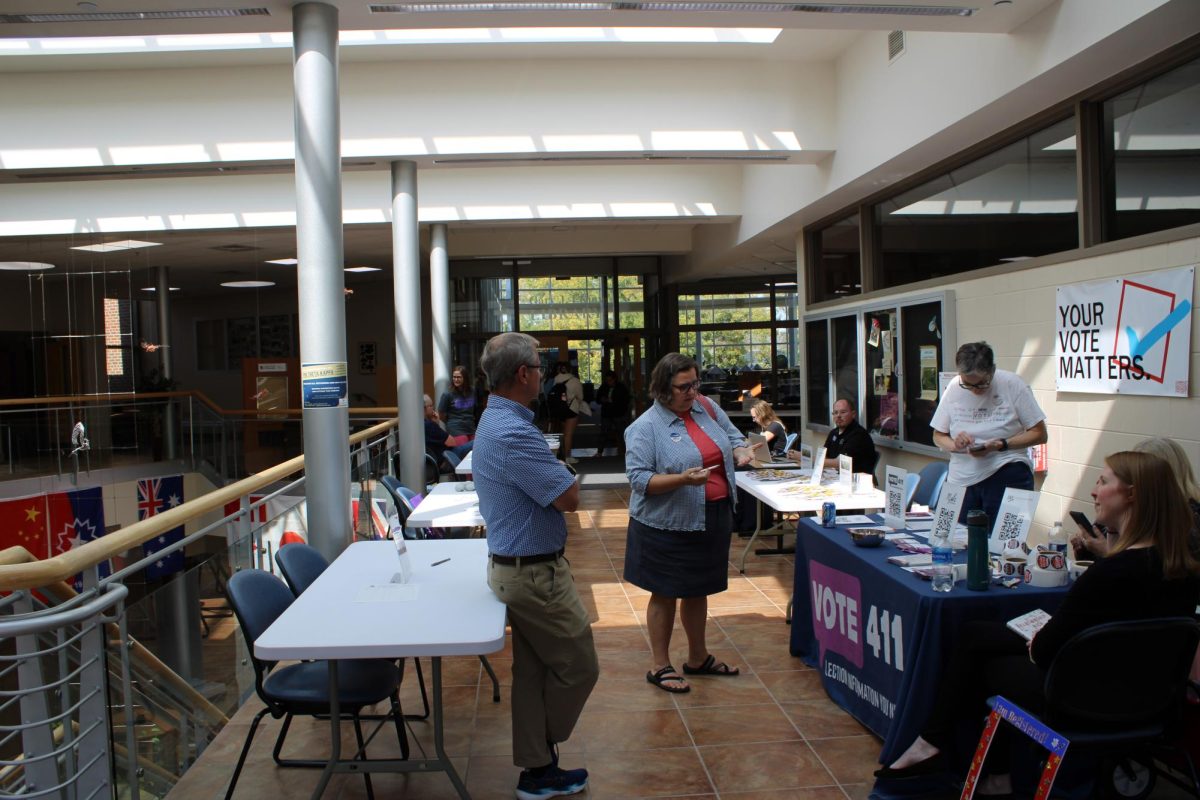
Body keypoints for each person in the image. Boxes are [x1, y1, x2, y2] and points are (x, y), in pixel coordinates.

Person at [877, 451, 1200, 794]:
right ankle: (971, 761)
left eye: (1103, 481)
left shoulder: (1110, 573)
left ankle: (948, 750)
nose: (1093, 491)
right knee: (976, 634)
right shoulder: (1184, 571)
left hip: (1078, 697)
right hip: (1150, 697)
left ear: (1131, 495)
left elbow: (1046, 650)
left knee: (985, 658)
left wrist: (1039, 643)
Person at [473, 332, 598, 800]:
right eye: (540, 369)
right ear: (523, 374)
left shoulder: (497, 421)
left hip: (518, 567)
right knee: (579, 666)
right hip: (532, 574)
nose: (542, 376)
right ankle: (543, 752)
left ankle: (537, 771)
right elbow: (569, 497)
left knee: (534, 673)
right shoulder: (513, 432)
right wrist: (561, 470)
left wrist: (555, 469)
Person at [624, 353, 754, 694]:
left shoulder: (706, 407)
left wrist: (740, 451)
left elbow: (734, 436)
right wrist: (681, 480)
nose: (692, 392)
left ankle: (698, 658)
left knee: (699, 589)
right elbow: (639, 481)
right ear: (663, 390)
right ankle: (659, 665)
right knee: (664, 592)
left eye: (695, 383)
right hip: (666, 524)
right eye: (684, 387)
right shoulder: (645, 428)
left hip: (711, 517)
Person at [930, 342, 1047, 525]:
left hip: (1006, 469)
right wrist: (955, 445)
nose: (976, 390)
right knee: (948, 537)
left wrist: (1003, 444)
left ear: (992, 370)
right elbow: (938, 435)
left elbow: (1039, 433)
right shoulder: (954, 387)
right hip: (961, 477)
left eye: (983, 383)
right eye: (968, 384)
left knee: (1001, 544)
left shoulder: (1013, 384)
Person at [1072, 435, 1200, 559]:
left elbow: (1154, 567)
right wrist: (1087, 550)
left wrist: (1107, 553)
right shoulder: (1131, 508)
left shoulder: (1186, 517)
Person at [550, 362, 590, 465]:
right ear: (570, 370)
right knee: (569, 435)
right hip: (572, 409)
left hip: (560, 409)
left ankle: (562, 454)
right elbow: (580, 397)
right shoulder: (575, 381)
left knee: (564, 433)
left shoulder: (556, 379)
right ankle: (567, 457)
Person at [422, 394, 472, 469]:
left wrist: (436, 423)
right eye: (431, 405)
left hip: (436, 461)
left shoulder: (419, 425)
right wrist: (435, 424)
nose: (433, 408)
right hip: (447, 459)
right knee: (477, 442)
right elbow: (452, 442)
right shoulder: (429, 425)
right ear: (424, 408)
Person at [437, 365, 479, 439]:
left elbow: (476, 410)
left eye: (458, 377)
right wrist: (451, 422)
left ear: (465, 378)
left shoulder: (472, 391)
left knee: (475, 448)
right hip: (455, 429)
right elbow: (441, 414)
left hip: (471, 428)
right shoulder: (447, 394)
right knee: (464, 447)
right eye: (454, 377)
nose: (456, 379)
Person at [595, 370, 631, 456]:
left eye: (610, 380)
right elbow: (597, 399)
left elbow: (625, 400)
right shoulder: (604, 387)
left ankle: (625, 452)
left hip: (618, 413)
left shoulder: (621, 388)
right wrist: (602, 400)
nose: (609, 382)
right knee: (604, 432)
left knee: (621, 433)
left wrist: (616, 402)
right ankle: (599, 451)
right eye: (607, 380)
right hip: (607, 414)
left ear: (614, 379)